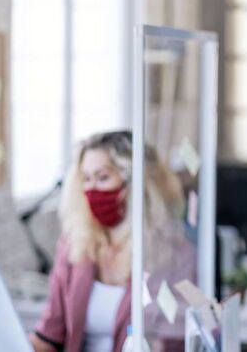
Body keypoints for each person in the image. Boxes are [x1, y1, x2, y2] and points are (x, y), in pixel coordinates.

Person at [30, 131, 195, 352]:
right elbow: (49, 334)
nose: (92, 189)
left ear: (134, 183)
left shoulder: (174, 254)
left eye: (103, 177)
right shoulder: (74, 246)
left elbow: (173, 341)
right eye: (86, 179)